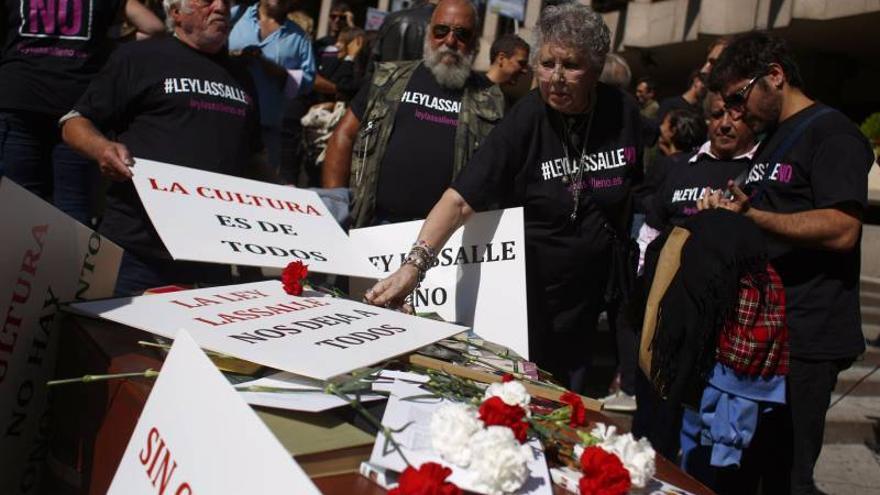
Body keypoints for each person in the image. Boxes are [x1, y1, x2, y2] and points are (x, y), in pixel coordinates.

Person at [364, 2, 643, 393]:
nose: (556, 78)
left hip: (590, 302)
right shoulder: (528, 117)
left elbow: (640, 190)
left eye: (571, 66)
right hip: (531, 301)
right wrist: (414, 267)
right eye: (547, 64)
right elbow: (461, 199)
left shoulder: (623, 112)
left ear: (596, 69)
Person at [699, 31, 873, 494]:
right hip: (763, 336)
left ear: (774, 76)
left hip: (806, 337)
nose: (735, 113)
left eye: (739, 98)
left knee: (786, 476)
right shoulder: (773, 140)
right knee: (748, 469)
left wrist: (753, 215)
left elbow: (842, 228)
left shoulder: (832, 133)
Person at [61, 0, 263, 296]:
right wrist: (101, 148)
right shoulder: (139, 57)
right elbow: (74, 123)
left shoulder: (242, 76)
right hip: (135, 252)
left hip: (211, 258)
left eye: (226, 1)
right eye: (207, 0)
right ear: (175, 13)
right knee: (110, 341)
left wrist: (293, 200)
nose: (220, 7)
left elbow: (254, 156)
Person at [321, 0, 505, 228]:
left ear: (475, 42)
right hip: (376, 225)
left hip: (446, 238)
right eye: (441, 30)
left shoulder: (489, 99)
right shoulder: (387, 79)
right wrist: (335, 202)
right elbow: (344, 136)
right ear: (429, 33)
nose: (450, 41)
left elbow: (501, 170)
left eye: (462, 34)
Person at [0, 0, 164, 225]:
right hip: (75, 108)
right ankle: (68, 260)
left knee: (19, 202)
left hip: (20, 97)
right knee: (73, 203)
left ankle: (18, 259)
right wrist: (104, 45)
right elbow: (153, 28)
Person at [228, 0, 316, 171]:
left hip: (266, 134)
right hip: (227, 121)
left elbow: (307, 83)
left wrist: (278, 72)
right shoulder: (234, 16)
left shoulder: (298, 38)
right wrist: (231, 57)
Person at [484, 33, 530, 107]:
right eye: (521, 63)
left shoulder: (509, 102)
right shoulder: (471, 90)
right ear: (501, 59)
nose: (525, 71)